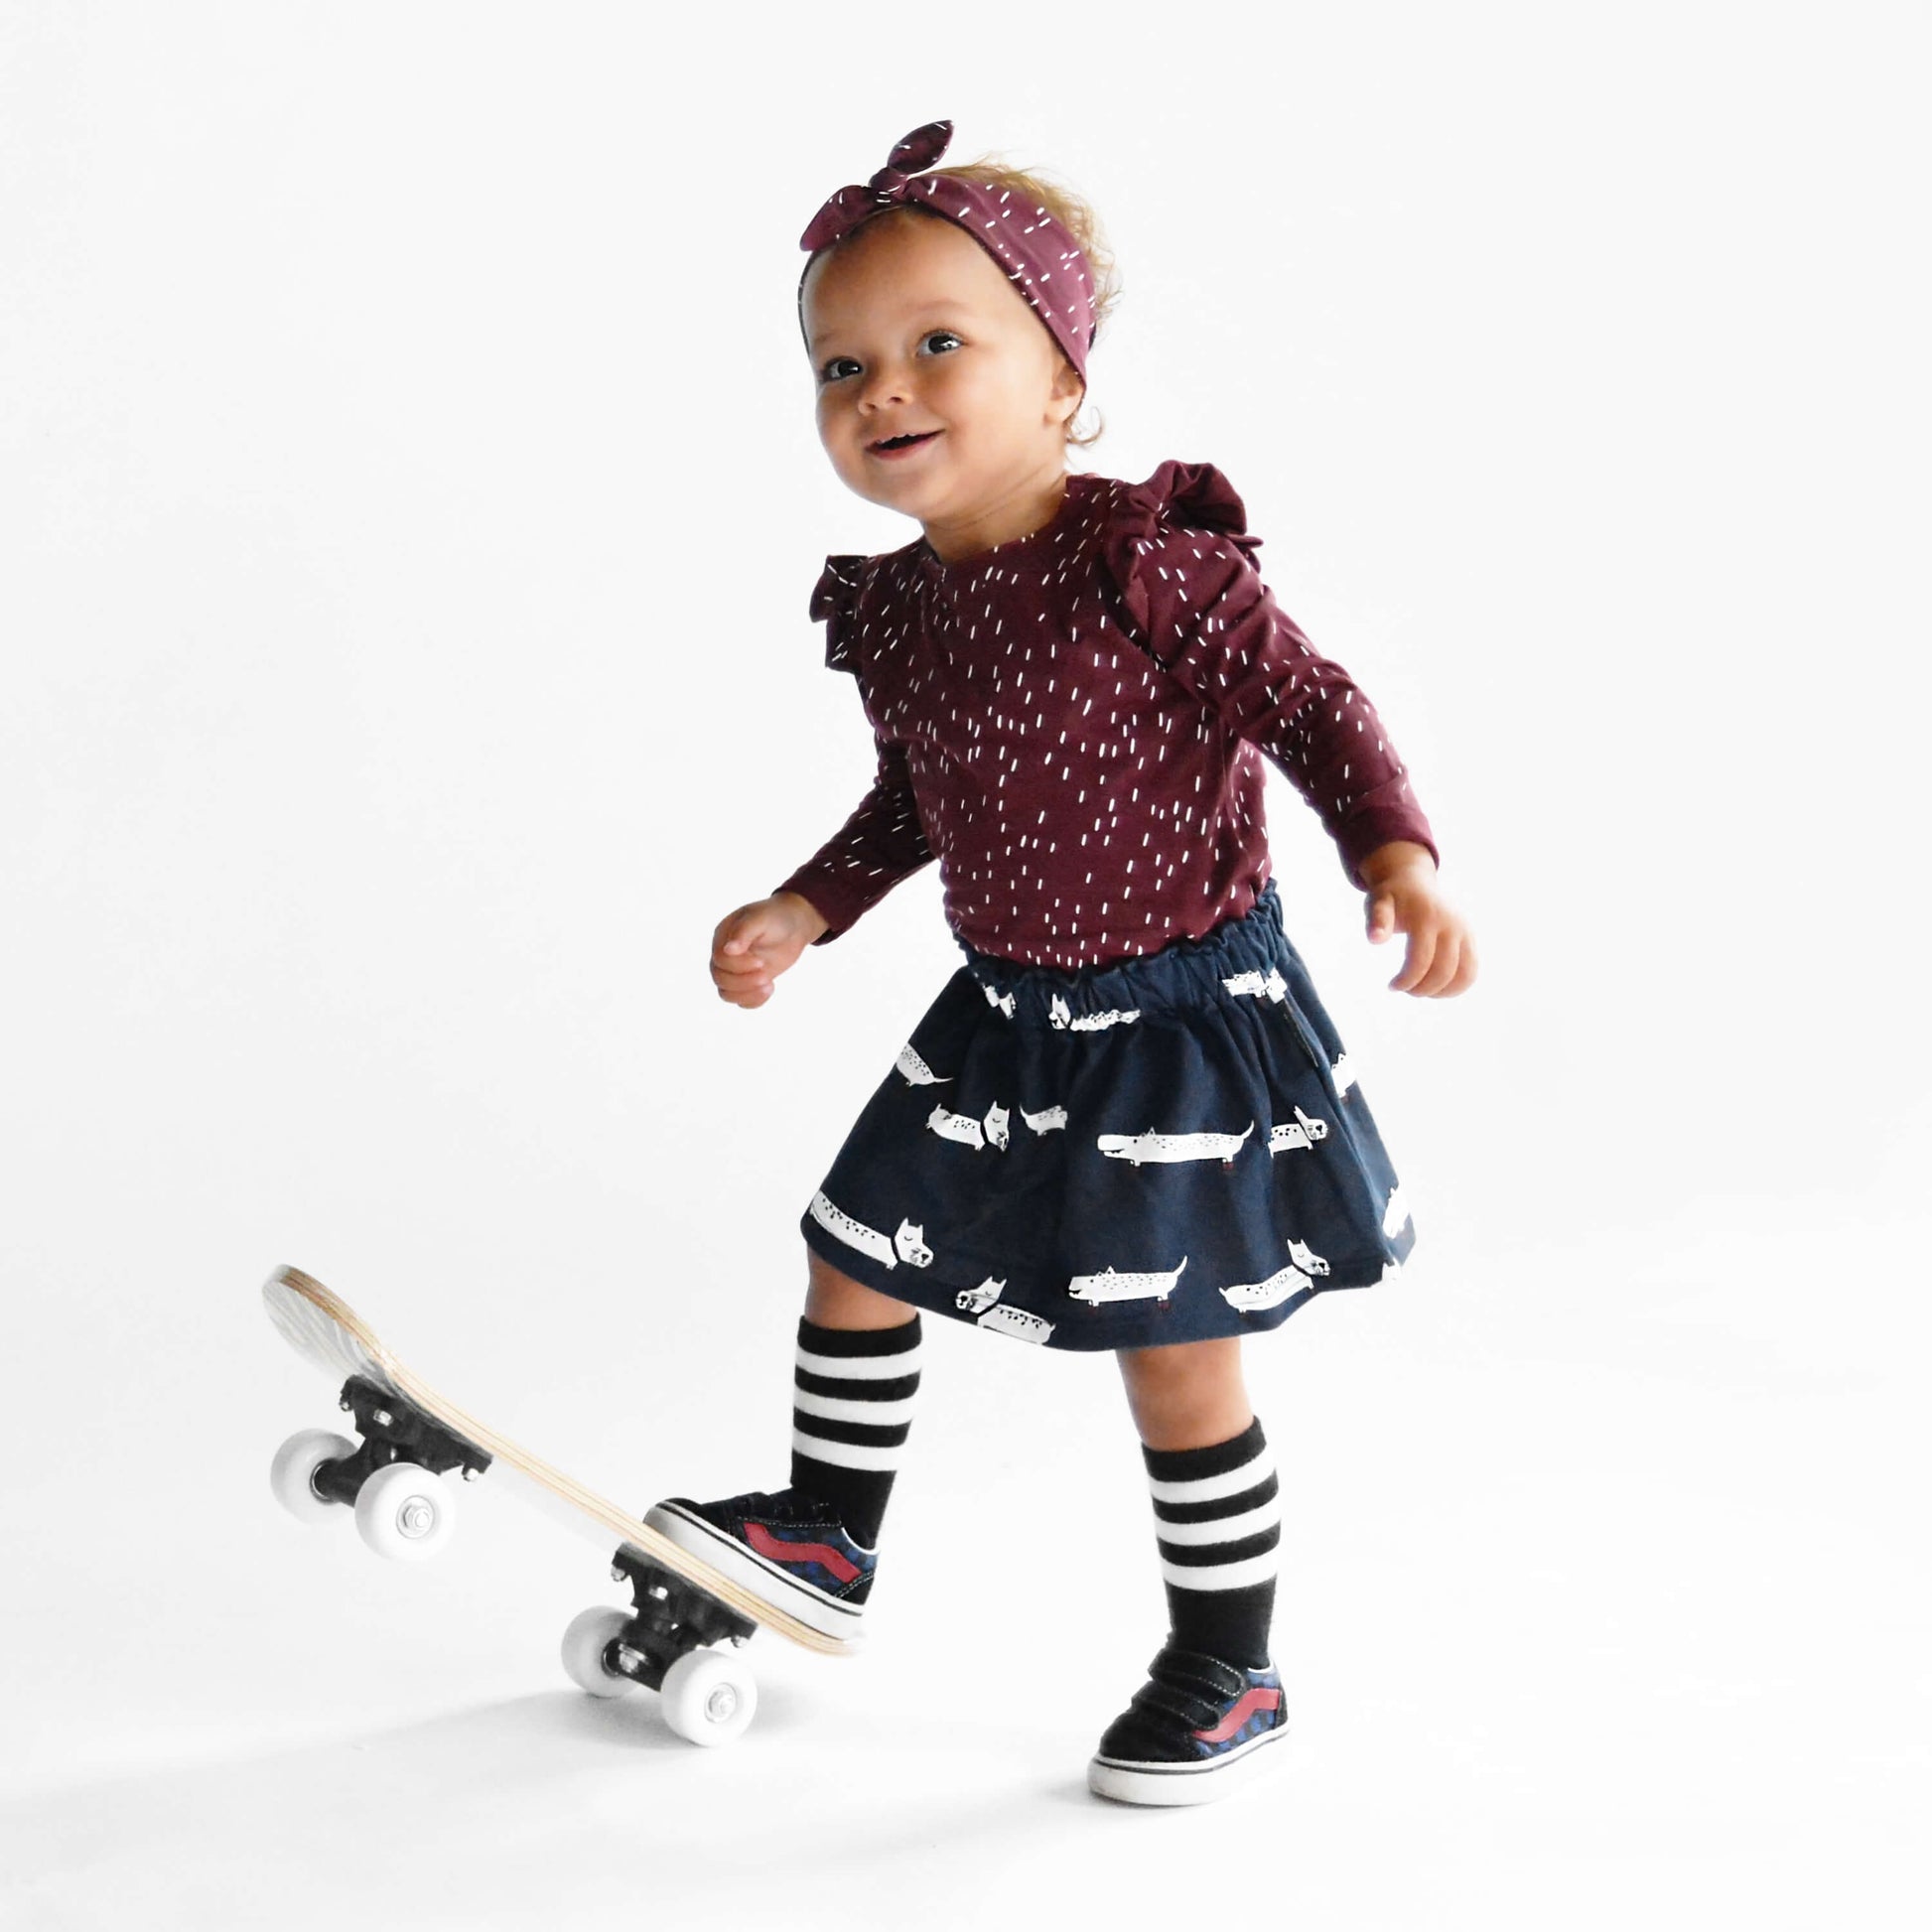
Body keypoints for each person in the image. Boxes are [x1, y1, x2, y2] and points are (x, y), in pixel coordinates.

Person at [645, 120, 1477, 1806]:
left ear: (1062, 377)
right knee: (853, 1249)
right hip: (1004, 1013)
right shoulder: (903, 613)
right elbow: (916, 798)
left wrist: (1392, 851)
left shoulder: (1143, 563)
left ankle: (1228, 1661)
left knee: (1173, 1353)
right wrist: (807, 906)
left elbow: (1311, 707)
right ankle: (826, 1535)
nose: (882, 388)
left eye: (937, 342)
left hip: (1177, 1019)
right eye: (840, 366)